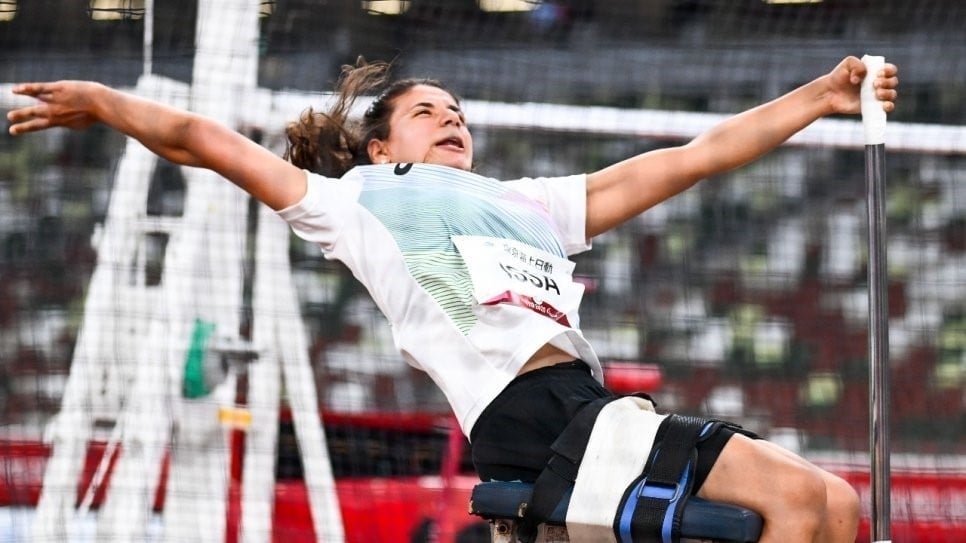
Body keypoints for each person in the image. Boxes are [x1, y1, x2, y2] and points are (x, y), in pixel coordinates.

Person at [7, 56, 898, 542]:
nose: (452, 119)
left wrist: (822, 95)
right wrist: (105, 101)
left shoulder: (528, 202)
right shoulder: (353, 202)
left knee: (839, 508)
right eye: (427, 111)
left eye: (458, 110)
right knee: (804, 502)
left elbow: (691, 159)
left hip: (586, 405)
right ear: (378, 146)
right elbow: (202, 138)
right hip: (528, 414)